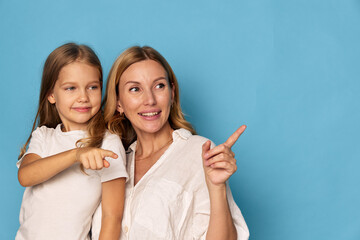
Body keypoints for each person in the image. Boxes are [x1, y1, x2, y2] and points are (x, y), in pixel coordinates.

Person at [92, 46, 249, 239]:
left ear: (172, 93)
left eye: (159, 86)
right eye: (135, 89)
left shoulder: (199, 153)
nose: (150, 100)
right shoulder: (111, 160)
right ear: (118, 103)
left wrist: (217, 188)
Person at [16, 43, 128, 240]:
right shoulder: (43, 136)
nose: (83, 97)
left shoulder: (107, 143)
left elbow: (112, 217)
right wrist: (76, 154)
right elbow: (26, 176)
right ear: (51, 95)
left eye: (92, 87)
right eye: (71, 88)